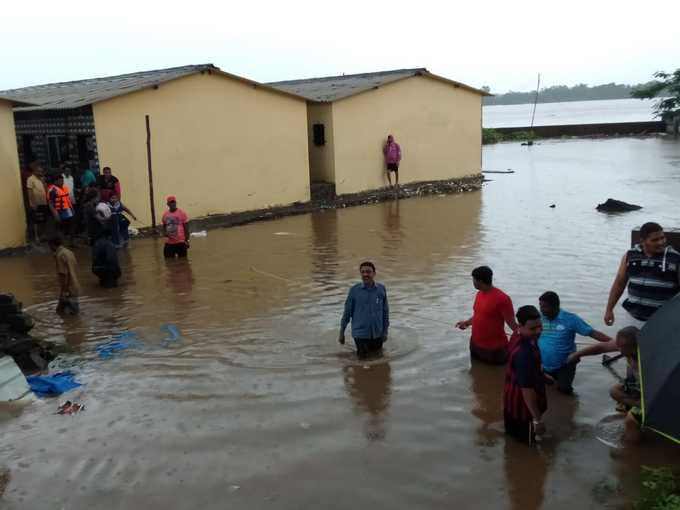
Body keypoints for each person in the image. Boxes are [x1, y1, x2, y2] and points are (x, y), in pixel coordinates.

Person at [568, 326, 642, 442]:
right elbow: (601, 347)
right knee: (615, 392)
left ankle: (632, 450)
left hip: (651, 390)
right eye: (618, 345)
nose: (619, 350)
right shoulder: (624, 346)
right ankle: (636, 406)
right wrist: (577, 354)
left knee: (630, 422)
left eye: (622, 347)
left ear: (634, 346)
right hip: (636, 384)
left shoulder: (647, 355)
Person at [604, 222, 680, 326]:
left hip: (663, 321)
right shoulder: (630, 255)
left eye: (662, 238)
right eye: (655, 240)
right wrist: (609, 309)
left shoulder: (675, 258)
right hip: (632, 317)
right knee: (626, 341)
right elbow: (619, 283)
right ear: (642, 241)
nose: (661, 242)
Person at [538, 291, 612, 394]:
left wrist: (615, 343)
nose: (541, 310)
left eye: (545, 307)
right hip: (542, 363)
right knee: (544, 390)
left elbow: (592, 333)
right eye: (540, 306)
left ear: (556, 306)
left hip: (565, 364)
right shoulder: (539, 318)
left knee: (564, 390)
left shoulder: (570, 319)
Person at [503, 305, 547, 445]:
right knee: (528, 446)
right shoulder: (525, 354)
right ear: (520, 327)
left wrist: (542, 376)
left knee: (513, 439)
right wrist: (537, 420)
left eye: (540, 326)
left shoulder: (517, 336)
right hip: (523, 409)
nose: (538, 331)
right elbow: (527, 391)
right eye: (533, 329)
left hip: (510, 398)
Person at [456, 266, 517, 365]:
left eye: (474, 279)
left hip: (494, 350)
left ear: (479, 281)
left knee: (498, 376)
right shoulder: (479, 294)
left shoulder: (503, 299)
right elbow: (479, 315)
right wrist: (466, 323)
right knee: (476, 373)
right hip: (475, 345)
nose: (473, 282)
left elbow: (512, 325)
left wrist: (526, 337)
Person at [339, 261, 390, 359]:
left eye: (368, 272)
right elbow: (347, 313)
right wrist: (342, 333)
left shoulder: (381, 289)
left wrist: (385, 332)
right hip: (360, 333)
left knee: (378, 357)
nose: (365, 274)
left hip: (377, 333)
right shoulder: (354, 290)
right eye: (363, 272)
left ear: (374, 273)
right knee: (363, 360)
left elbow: (385, 312)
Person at [48, 235, 80, 315]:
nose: (49, 248)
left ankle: (74, 326)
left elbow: (64, 275)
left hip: (68, 290)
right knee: (61, 312)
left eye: (49, 246)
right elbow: (74, 269)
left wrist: (63, 292)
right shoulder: (69, 252)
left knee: (71, 315)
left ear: (52, 245)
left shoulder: (60, 255)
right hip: (74, 286)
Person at [47, 174, 76, 241]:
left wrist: (72, 209)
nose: (62, 182)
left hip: (68, 211)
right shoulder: (52, 189)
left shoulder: (64, 188)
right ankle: (61, 243)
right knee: (60, 227)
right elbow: (50, 203)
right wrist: (55, 214)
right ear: (55, 181)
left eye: (62, 180)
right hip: (59, 211)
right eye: (60, 180)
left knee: (72, 226)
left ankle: (71, 242)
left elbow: (67, 200)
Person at [25, 164, 49, 242]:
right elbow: (30, 192)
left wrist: (44, 183)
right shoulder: (30, 179)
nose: (40, 172)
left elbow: (46, 190)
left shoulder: (42, 179)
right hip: (36, 204)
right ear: (34, 171)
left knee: (44, 220)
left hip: (44, 203)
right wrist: (32, 203)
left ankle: (43, 235)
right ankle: (36, 237)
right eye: (39, 171)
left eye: (41, 171)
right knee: (36, 220)